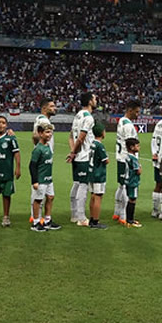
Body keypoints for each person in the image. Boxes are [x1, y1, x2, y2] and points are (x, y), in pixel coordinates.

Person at [68, 93, 97, 227]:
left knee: (77, 183)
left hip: (77, 155)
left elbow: (70, 137)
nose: (96, 100)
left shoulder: (78, 115)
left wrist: (73, 152)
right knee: (83, 186)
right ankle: (81, 217)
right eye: (95, 98)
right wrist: (74, 152)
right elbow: (81, 138)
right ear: (90, 101)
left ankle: (74, 214)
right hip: (84, 156)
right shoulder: (88, 117)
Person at [113, 100, 141, 224]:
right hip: (127, 160)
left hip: (120, 158)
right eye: (136, 112)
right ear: (130, 111)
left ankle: (117, 212)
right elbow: (130, 143)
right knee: (125, 187)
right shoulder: (128, 125)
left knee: (121, 185)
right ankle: (124, 216)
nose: (138, 115)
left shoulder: (121, 121)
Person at [29, 124, 60, 232]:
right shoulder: (38, 149)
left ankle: (47, 220)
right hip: (41, 179)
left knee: (50, 197)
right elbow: (32, 165)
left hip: (48, 179)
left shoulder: (47, 146)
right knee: (38, 200)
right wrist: (35, 181)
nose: (50, 134)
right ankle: (36, 222)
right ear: (41, 133)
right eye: (47, 132)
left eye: (51, 132)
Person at [85, 125, 110, 229]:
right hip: (98, 174)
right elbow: (106, 160)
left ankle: (91, 218)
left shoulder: (92, 144)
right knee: (98, 197)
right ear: (102, 133)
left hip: (91, 172)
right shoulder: (100, 145)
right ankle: (95, 221)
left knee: (93, 196)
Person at [119, 137, 143, 228]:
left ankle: (129, 219)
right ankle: (130, 220)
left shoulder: (127, 157)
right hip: (133, 181)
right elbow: (138, 171)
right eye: (137, 146)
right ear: (132, 147)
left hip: (128, 180)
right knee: (132, 200)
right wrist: (140, 168)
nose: (139, 147)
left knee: (131, 199)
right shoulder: (133, 158)